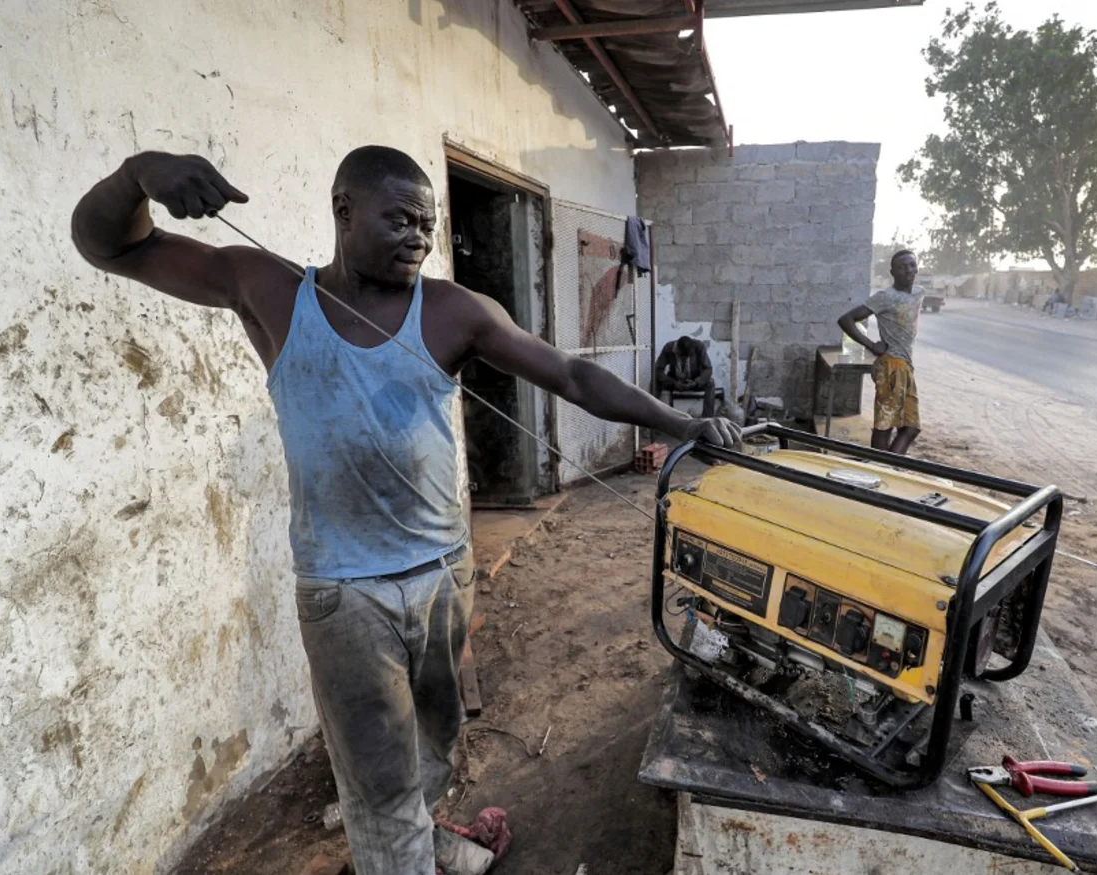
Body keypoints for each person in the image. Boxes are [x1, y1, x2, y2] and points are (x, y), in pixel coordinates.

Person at [70, 147, 740, 875]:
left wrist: (682, 425)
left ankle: (413, 846)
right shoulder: (268, 289)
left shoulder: (452, 310)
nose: (419, 236)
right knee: (378, 780)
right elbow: (109, 244)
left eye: (428, 224)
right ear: (344, 211)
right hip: (345, 593)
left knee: (433, 743)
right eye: (400, 219)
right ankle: (397, 853)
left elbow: (573, 374)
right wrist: (138, 174)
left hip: (443, 575)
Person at [837, 249, 925, 455]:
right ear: (892, 272)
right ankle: (885, 468)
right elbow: (846, 320)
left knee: (910, 427)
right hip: (890, 366)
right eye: (902, 267)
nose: (908, 270)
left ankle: (886, 466)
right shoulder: (885, 297)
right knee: (885, 427)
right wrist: (871, 345)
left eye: (912, 265)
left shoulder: (919, 292)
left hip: (905, 366)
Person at [652, 335, 716, 418]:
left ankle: (707, 419)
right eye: (681, 357)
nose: (683, 360)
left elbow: (708, 369)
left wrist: (696, 382)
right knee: (655, 381)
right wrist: (673, 382)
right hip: (674, 381)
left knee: (710, 382)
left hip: (694, 381)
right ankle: (653, 416)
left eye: (686, 357)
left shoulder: (699, 346)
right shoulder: (669, 347)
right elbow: (658, 370)